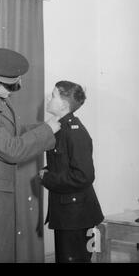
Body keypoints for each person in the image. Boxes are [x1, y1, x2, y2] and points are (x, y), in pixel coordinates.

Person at [0, 48, 61, 262]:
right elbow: (10, 149)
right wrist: (47, 131)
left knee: (2, 249)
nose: (13, 91)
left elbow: (13, 132)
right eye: (11, 86)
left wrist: (46, 128)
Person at [39, 81, 104, 263]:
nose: (48, 99)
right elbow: (64, 166)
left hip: (76, 216)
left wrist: (48, 178)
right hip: (69, 213)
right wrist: (47, 171)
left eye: (53, 96)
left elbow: (84, 175)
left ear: (64, 105)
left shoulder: (74, 132)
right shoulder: (61, 128)